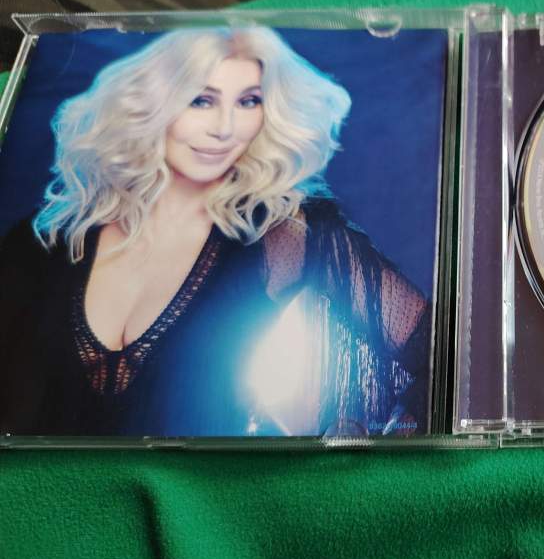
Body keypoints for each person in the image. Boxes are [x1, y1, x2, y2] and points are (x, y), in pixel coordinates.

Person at [0, 26, 431, 437]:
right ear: (155, 104)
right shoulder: (44, 242)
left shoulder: (279, 235)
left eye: (248, 101)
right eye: (202, 100)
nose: (225, 128)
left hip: (202, 489)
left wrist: (384, 452)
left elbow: (442, 356)